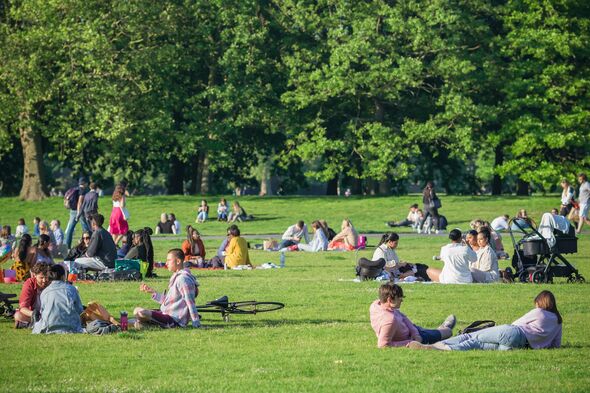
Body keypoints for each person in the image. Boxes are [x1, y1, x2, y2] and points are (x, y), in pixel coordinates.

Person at [408, 290, 562, 351]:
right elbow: (556, 345)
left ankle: (435, 346)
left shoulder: (538, 312)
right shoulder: (558, 321)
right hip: (521, 345)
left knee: (470, 336)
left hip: (512, 332)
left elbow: (517, 323)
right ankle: (440, 349)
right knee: (478, 344)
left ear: (540, 302)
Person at [369, 282, 455, 348]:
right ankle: (454, 333)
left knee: (430, 331)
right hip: (414, 338)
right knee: (448, 332)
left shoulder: (376, 304)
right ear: (389, 300)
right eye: (399, 298)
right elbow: (383, 345)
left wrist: (414, 332)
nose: (402, 300)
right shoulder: (389, 320)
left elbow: (402, 316)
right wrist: (409, 342)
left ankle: (439, 330)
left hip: (414, 331)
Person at [133, 248, 200, 329]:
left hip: (175, 320)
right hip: (166, 314)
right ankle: (144, 325)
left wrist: (196, 323)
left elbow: (190, 302)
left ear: (178, 261)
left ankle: (144, 325)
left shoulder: (183, 279)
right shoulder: (176, 277)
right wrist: (153, 292)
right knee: (137, 312)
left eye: (169, 260)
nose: (166, 263)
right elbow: (169, 302)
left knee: (140, 312)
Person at [32, 264, 84, 334]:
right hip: (71, 327)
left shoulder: (44, 292)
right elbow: (80, 310)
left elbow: (43, 312)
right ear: (63, 276)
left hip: (48, 327)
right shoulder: (71, 289)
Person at [14, 262, 51, 328]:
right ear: (34, 275)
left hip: (48, 313)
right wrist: (34, 314)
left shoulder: (51, 284)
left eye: (46, 277)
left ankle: (29, 324)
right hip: (34, 314)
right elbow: (23, 308)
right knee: (18, 315)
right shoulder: (29, 284)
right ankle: (37, 323)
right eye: (41, 278)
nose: (44, 280)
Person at [64, 177, 90, 248]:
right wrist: (79, 213)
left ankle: (67, 247)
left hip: (72, 211)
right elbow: (80, 202)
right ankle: (88, 245)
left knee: (70, 229)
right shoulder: (82, 190)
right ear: (85, 183)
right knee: (85, 229)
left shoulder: (75, 189)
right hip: (79, 211)